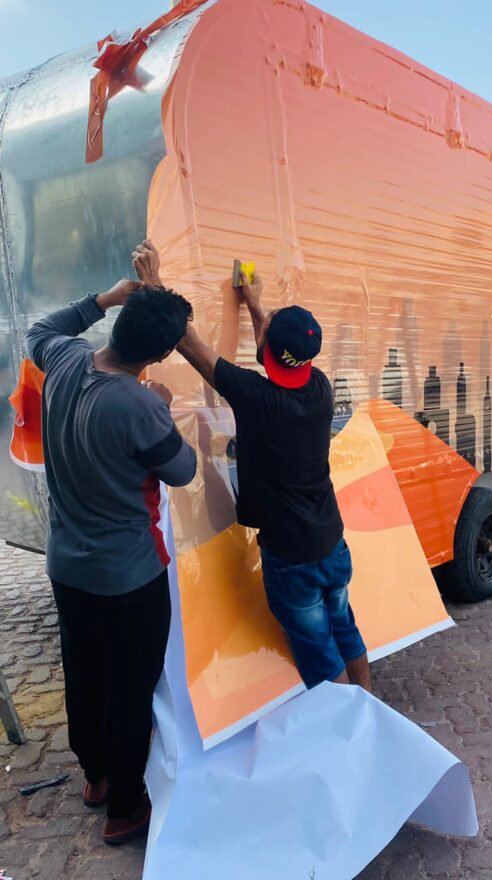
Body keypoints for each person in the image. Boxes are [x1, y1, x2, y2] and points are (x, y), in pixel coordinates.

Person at [132, 240, 371, 693]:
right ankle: (371, 711)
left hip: (292, 556)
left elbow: (189, 342)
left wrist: (156, 284)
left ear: (267, 347)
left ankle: (349, 743)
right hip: (331, 544)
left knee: (322, 660)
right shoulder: (317, 387)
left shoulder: (256, 398)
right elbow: (278, 351)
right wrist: (257, 305)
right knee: (346, 632)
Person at [26, 278, 197, 845]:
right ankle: (125, 808)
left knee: (85, 672)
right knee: (130, 689)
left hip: (67, 568)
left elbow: (41, 329)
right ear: (163, 353)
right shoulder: (140, 405)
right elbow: (183, 470)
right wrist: (167, 412)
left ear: (117, 321)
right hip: (129, 578)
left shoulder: (66, 360)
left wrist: (103, 297)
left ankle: (96, 777)